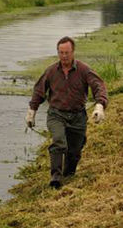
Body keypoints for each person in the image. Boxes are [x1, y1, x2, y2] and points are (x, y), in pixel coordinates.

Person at [25, 36, 108, 189]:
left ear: (73, 52)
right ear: (58, 53)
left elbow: (99, 86)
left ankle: (69, 173)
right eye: (61, 53)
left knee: (75, 151)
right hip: (57, 114)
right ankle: (55, 177)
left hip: (78, 116)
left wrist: (99, 106)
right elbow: (39, 91)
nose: (64, 56)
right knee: (58, 141)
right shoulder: (51, 71)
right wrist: (32, 111)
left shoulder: (84, 69)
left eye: (67, 53)